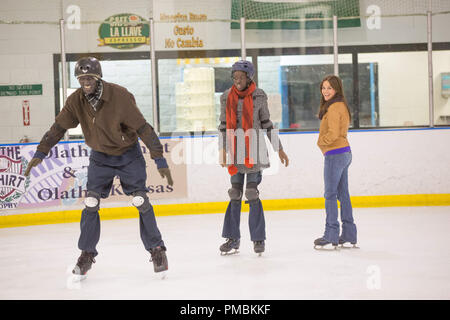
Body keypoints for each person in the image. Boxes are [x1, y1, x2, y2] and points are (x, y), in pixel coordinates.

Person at [24, 57, 173, 277]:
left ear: (98, 77)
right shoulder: (76, 100)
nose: (85, 81)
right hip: (100, 157)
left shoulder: (119, 96)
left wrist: (158, 158)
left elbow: (143, 128)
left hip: (128, 155)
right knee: (91, 202)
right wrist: (41, 151)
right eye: (81, 78)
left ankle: (157, 249)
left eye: (89, 78)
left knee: (140, 200)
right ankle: (86, 254)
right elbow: (58, 127)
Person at [218, 60, 289, 255]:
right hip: (235, 150)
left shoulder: (259, 96)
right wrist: (222, 150)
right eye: (234, 77)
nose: (237, 80)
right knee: (234, 193)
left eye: (241, 77)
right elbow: (223, 126)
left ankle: (258, 239)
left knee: (251, 193)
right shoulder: (226, 97)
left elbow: (266, 123)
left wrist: (279, 148)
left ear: (249, 78)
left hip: (255, 151)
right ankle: (232, 239)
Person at [314, 75, 357, 250]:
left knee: (330, 195)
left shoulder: (333, 108)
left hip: (335, 154)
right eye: (323, 88)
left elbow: (332, 134)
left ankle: (331, 234)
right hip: (345, 152)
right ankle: (348, 234)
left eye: (329, 88)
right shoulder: (341, 106)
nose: (325, 91)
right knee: (343, 194)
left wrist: (320, 142)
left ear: (337, 89)